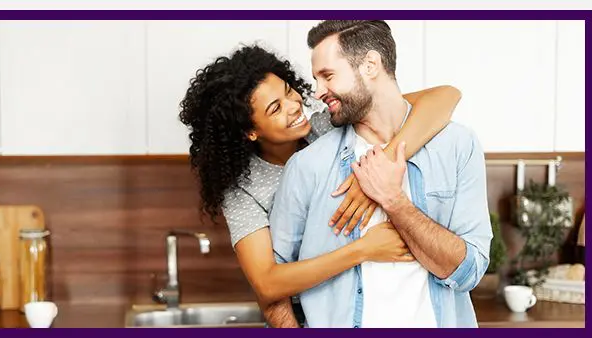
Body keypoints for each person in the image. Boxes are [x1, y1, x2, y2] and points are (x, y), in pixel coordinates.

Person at [178, 43, 462, 327]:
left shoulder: (329, 126)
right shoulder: (243, 190)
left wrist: (381, 168)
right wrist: (363, 249)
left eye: (289, 91)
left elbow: (445, 97)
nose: (294, 106)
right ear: (250, 131)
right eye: (275, 108)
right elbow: (268, 284)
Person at [268, 20, 492, 328]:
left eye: (328, 76)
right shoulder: (308, 166)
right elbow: (274, 287)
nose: (317, 91)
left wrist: (393, 200)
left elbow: (469, 271)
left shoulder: (458, 146)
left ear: (371, 64)